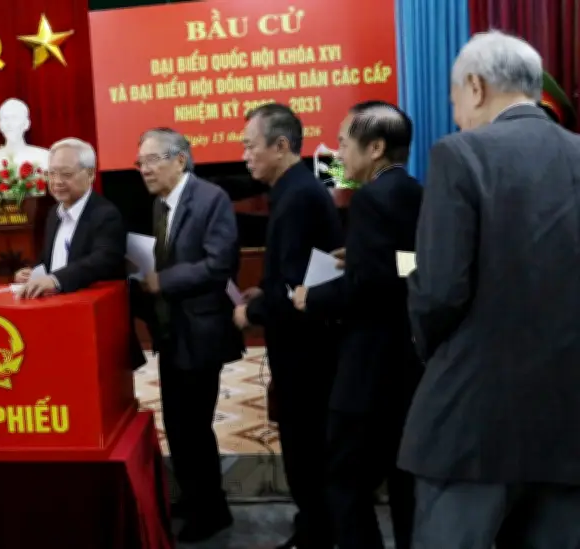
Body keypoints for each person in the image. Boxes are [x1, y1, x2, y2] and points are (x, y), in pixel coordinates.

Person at [399, 30, 580, 548]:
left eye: (454, 100)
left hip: (473, 422)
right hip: (569, 420)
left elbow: (439, 291)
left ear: (476, 87)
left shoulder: (460, 154)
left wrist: (435, 354)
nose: (457, 115)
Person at [292, 101, 422, 549]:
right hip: (408, 361)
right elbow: (413, 265)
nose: (338, 154)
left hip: (367, 365)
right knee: (405, 484)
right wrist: (367, 258)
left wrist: (311, 297)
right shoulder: (415, 191)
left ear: (376, 148)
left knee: (345, 481)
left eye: (344, 143)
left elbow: (366, 289)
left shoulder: (369, 198)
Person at [233, 103, 343, 549]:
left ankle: (316, 533)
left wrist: (252, 313)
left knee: (305, 444)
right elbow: (286, 273)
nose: (245, 156)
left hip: (306, 349)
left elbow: (295, 285)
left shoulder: (297, 196)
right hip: (304, 343)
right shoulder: (294, 189)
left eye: (251, 146)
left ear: (281, 145)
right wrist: (263, 291)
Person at [130, 128, 243, 543]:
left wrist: (163, 281)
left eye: (152, 160)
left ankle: (212, 512)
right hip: (172, 332)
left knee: (194, 427)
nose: (144, 169)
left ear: (180, 159)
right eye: (140, 162)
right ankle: (196, 498)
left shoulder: (211, 199)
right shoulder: (159, 204)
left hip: (202, 333)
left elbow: (219, 264)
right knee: (178, 426)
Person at [15, 137, 145, 368]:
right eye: (52, 173)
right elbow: (51, 259)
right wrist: (33, 273)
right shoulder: (54, 214)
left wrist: (55, 279)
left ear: (90, 174)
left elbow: (102, 260)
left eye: (66, 174)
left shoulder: (105, 214)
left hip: (94, 323)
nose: (57, 182)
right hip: (56, 317)